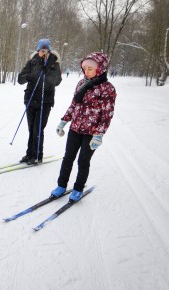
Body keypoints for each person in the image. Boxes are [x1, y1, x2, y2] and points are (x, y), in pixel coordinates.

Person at [50, 52, 117, 202]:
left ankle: (78, 188)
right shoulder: (81, 84)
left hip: (91, 133)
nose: (86, 72)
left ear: (100, 69)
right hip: (75, 129)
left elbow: (107, 114)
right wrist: (64, 121)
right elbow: (74, 105)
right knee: (68, 158)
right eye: (84, 68)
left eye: (90, 69)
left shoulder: (107, 89)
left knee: (83, 161)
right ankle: (61, 185)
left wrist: (99, 134)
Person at [17, 39, 62, 165]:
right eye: (41, 50)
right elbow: (20, 79)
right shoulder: (32, 62)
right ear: (38, 50)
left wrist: (48, 73)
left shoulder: (54, 63)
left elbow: (57, 81)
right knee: (31, 129)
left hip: (45, 101)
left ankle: (37, 155)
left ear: (49, 50)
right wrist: (29, 76)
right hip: (30, 100)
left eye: (46, 50)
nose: (44, 52)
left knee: (38, 128)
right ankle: (29, 154)